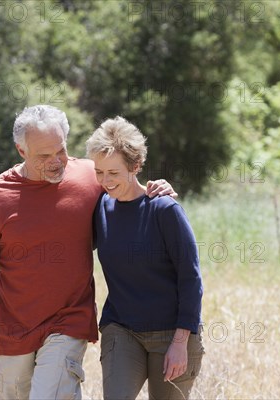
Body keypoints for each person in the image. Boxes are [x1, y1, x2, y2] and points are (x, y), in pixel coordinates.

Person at [0, 105, 176, 399]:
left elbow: (126, 190)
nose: (56, 162)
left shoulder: (88, 177)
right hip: (13, 331)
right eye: (44, 156)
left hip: (68, 321)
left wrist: (156, 189)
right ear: (21, 151)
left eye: (61, 151)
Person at [86, 116, 204, 400]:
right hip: (121, 328)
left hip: (172, 332)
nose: (105, 181)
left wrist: (180, 343)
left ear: (135, 167)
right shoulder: (100, 206)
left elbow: (191, 279)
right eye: (99, 172)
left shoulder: (164, 209)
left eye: (113, 173)